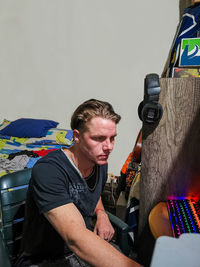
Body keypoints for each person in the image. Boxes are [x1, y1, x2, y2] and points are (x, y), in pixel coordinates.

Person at [16, 99, 140, 267]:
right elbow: (75, 238)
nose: (108, 147)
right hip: (43, 259)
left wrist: (101, 213)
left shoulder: (99, 162)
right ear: (77, 136)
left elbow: (89, 193)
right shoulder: (49, 170)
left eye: (112, 138)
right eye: (99, 138)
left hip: (77, 252)